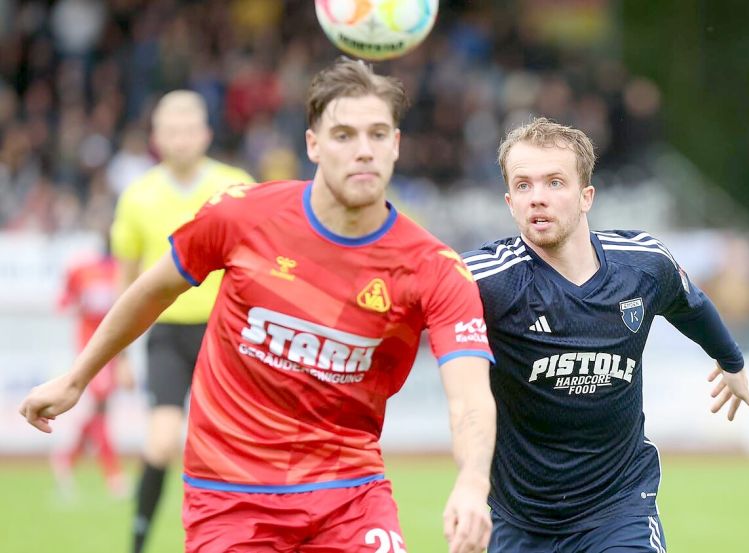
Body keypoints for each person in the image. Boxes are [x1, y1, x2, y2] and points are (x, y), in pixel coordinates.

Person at [20, 58, 496, 553]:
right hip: (229, 497)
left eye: (378, 134)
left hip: (349, 493)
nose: (363, 151)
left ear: (396, 145)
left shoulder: (433, 268)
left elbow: (469, 397)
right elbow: (151, 290)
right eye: (344, 135)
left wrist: (472, 483)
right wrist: (78, 378)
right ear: (312, 144)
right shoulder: (242, 215)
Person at [462, 117, 749, 552]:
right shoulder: (487, 279)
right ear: (510, 202)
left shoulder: (642, 265)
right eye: (524, 186)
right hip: (521, 519)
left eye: (554, 182)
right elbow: (407, 302)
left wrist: (731, 361)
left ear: (586, 196)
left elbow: (692, 306)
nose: (538, 199)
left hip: (619, 507)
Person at [110, 90, 254, 553]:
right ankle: (136, 542)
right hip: (167, 334)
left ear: (206, 133)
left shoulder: (236, 186)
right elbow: (127, 280)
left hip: (227, 334)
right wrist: (118, 353)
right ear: (155, 137)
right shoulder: (137, 195)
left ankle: (247, 536)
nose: (180, 139)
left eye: (189, 129)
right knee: (159, 442)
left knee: (236, 447)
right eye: (170, 130)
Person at [51, 232, 132, 499]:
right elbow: (65, 301)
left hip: (110, 349)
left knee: (100, 411)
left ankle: (66, 460)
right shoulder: (91, 271)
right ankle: (114, 475)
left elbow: (64, 303)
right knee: (100, 408)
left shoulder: (112, 272)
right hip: (91, 349)